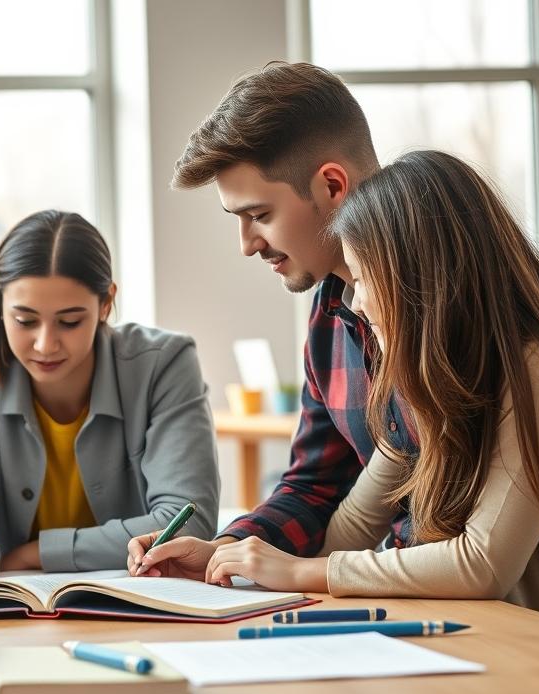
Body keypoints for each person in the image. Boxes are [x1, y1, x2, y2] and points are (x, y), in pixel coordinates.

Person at [143, 150, 539, 633]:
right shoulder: (423, 379)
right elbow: (352, 527)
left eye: (364, 276)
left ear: (426, 278)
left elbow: (482, 563)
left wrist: (298, 571)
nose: (358, 300)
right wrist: (228, 556)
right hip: (511, 639)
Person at [127, 61, 404, 578]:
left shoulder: (452, 310)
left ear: (332, 187)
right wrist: (224, 549)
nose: (247, 245)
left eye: (259, 215)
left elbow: (480, 547)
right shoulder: (328, 317)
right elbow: (314, 487)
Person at [0, 209, 219, 589]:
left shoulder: (165, 363)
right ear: (0, 307)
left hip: (139, 602)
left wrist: (40, 553)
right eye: (25, 320)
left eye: (69, 321)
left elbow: (186, 520)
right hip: (10, 606)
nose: (45, 344)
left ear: (106, 303)